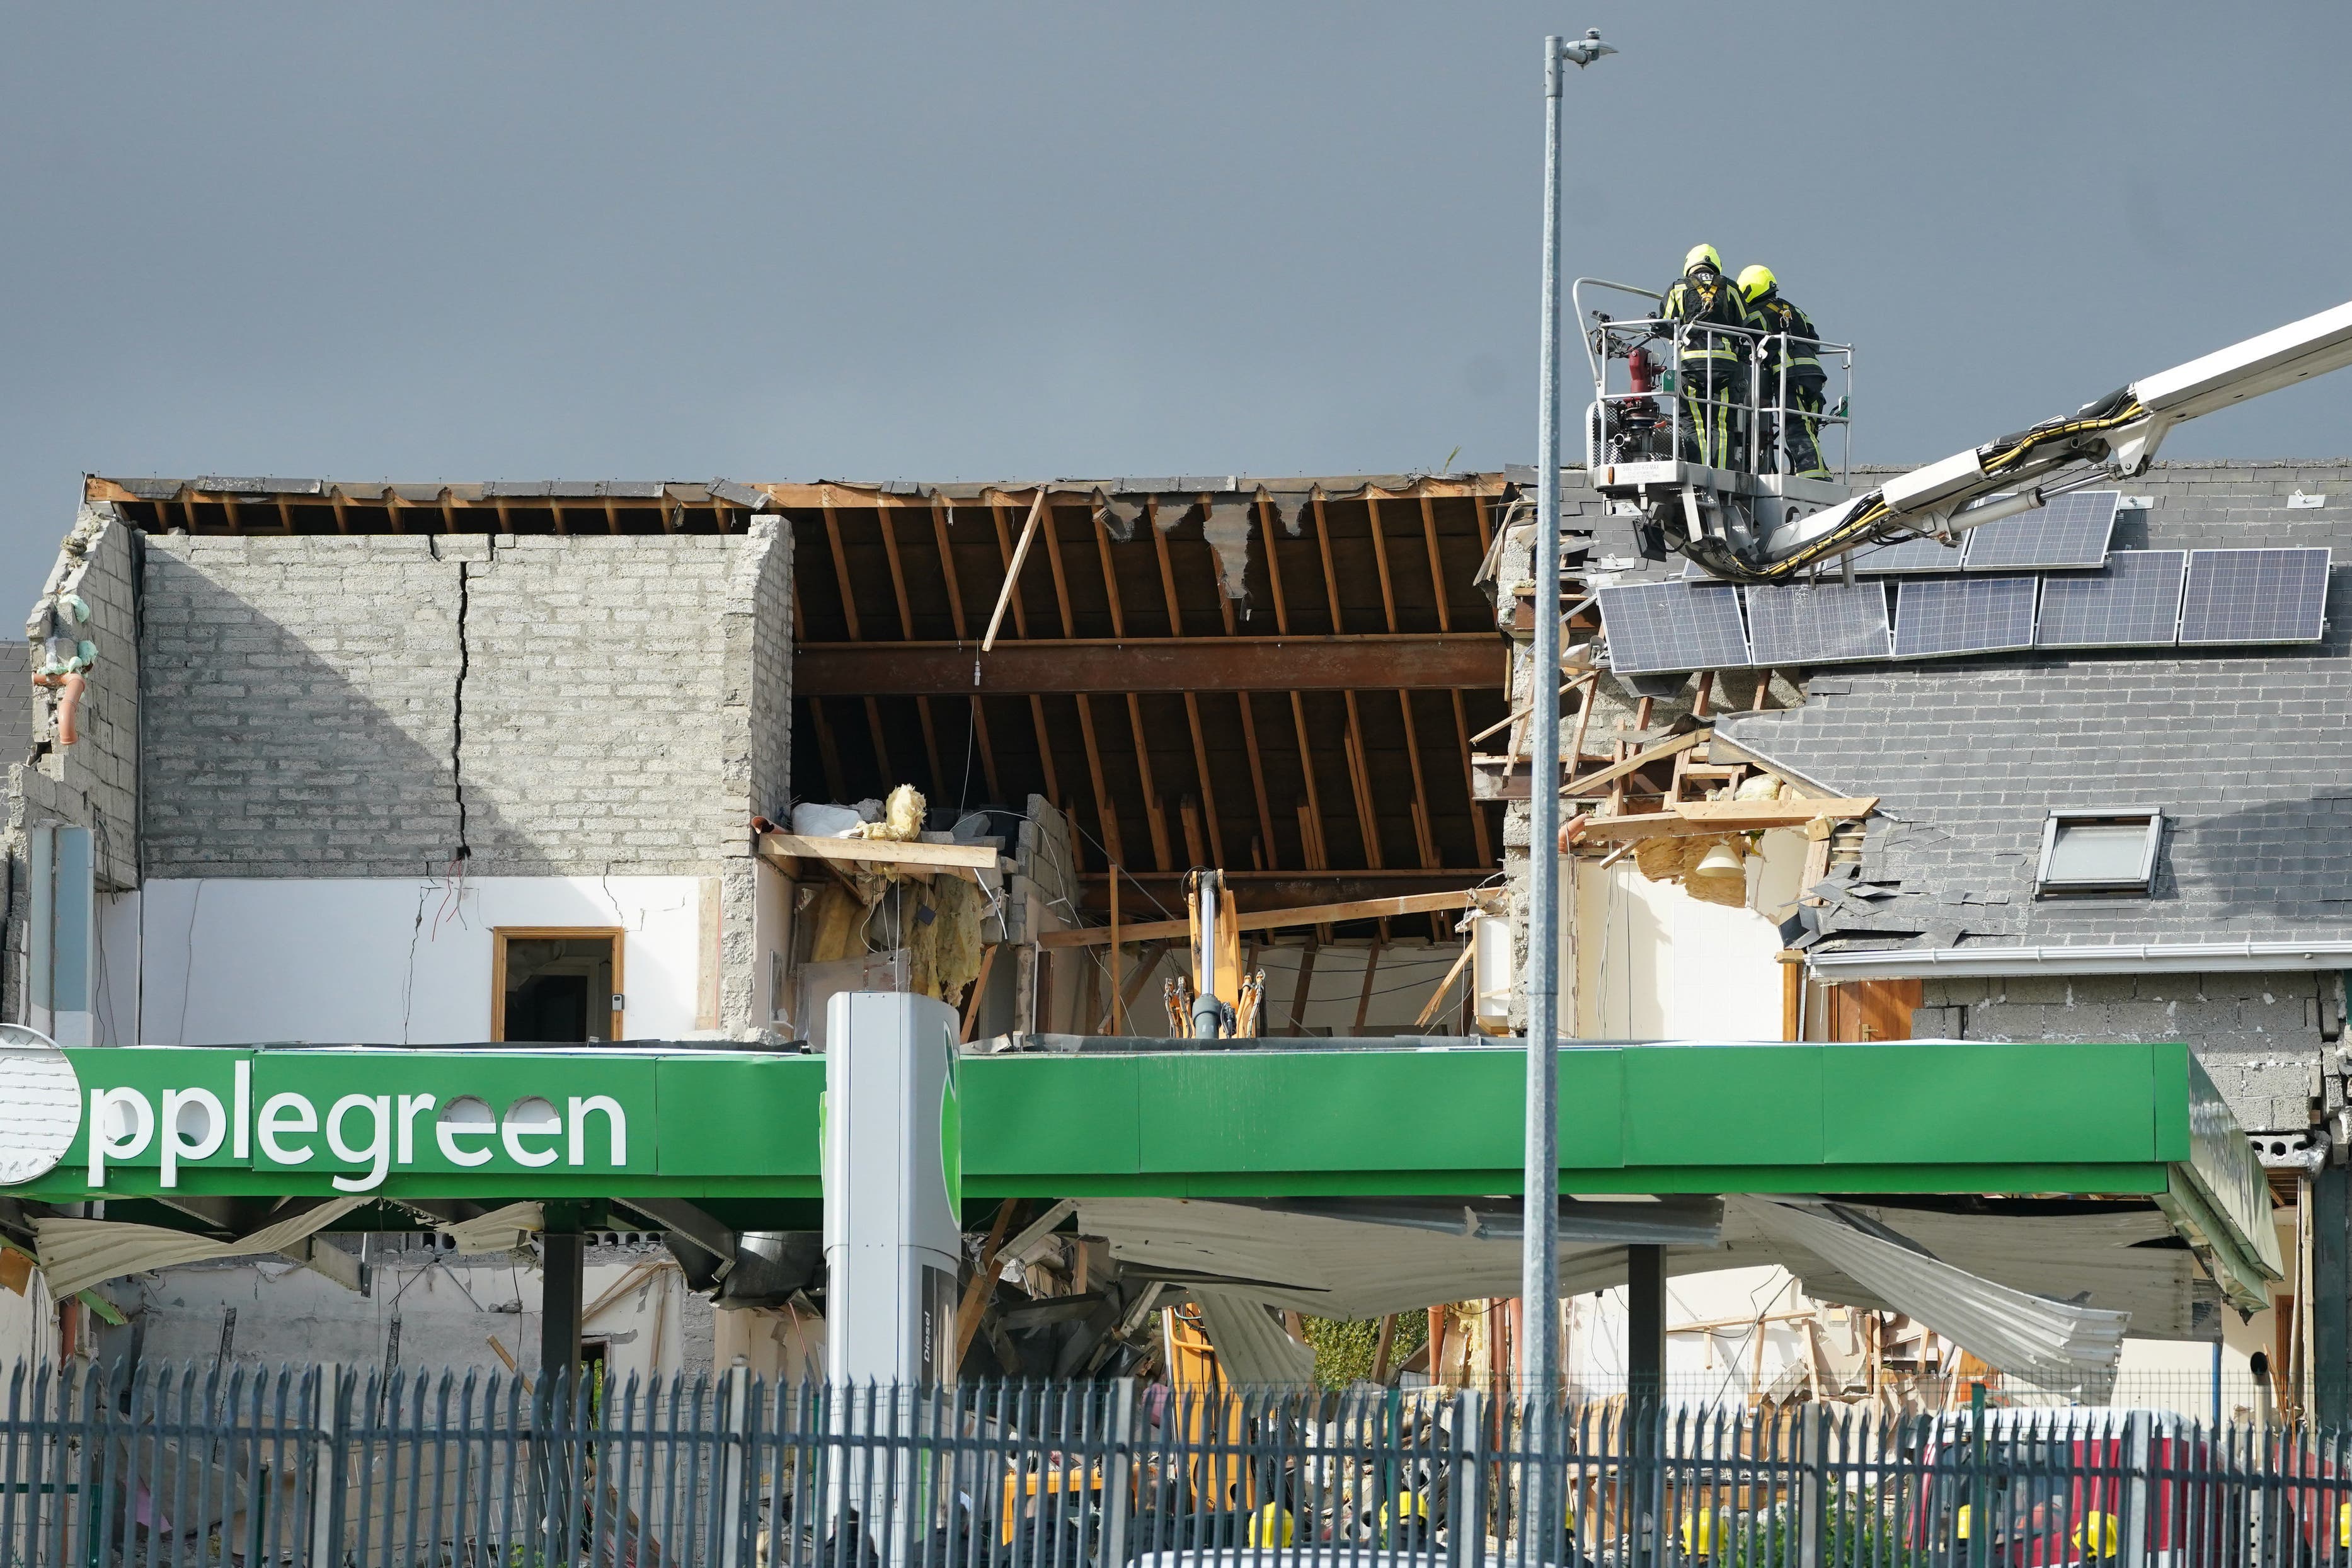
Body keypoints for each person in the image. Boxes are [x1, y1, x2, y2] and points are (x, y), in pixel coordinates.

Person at [1737, 264, 1832, 479]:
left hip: (1790, 377)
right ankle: (1822, 473)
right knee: (1809, 428)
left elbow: (1741, 345)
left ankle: (1813, 476)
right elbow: (1814, 342)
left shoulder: (1755, 315)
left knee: (1796, 427)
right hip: (1815, 376)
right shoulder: (1796, 311)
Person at [1660, 244, 1750, 469]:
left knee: (1693, 424)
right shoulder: (1730, 289)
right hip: (1726, 366)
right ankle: (1720, 474)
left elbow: (1665, 325)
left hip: (1691, 367)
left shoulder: (1677, 289)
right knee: (1721, 425)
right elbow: (1746, 325)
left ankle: (1699, 474)